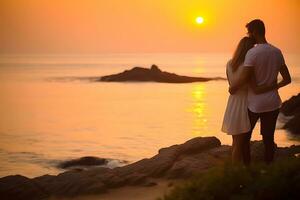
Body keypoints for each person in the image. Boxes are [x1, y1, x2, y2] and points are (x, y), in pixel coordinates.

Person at [229, 19, 291, 165]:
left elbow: (245, 77)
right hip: (273, 103)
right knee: (268, 138)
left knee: (244, 138)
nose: (248, 35)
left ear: (255, 32)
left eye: (249, 32)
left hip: (255, 105)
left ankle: (248, 170)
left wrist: (233, 88)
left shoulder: (252, 53)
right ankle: (268, 170)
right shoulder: (277, 51)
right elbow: (287, 79)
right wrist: (272, 87)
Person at [222, 36, 276, 164]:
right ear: (249, 50)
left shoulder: (230, 63)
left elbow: (231, 84)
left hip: (232, 102)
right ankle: (236, 172)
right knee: (240, 143)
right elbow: (254, 87)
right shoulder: (248, 67)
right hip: (245, 103)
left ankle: (236, 170)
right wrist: (274, 85)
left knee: (235, 141)